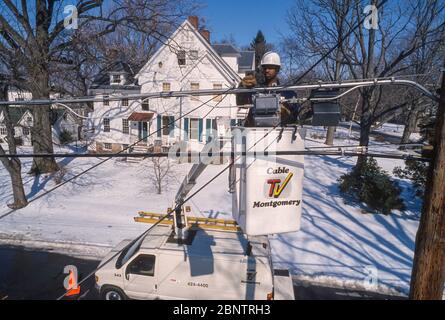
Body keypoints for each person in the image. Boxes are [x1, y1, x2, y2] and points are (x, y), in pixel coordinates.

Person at [236, 51, 299, 127]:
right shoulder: (256, 90)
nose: (267, 70)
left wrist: (285, 113)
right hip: (254, 132)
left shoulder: (288, 93)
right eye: (265, 67)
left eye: (270, 67)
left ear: (278, 69)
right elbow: (241, 104)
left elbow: (294, 117)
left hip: (279, 133)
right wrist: (242, 87)